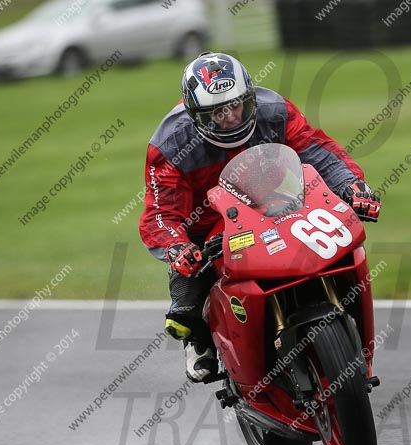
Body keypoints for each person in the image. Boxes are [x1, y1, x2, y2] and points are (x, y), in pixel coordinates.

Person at [139, 52, 381, 383]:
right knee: (187, 301)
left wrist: (352, 187)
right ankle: (198, 339)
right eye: (216, 113)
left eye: (236, 104)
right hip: (206, 223)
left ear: (250, 96)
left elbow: (318, 151)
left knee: (334, 242)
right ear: (196, 116)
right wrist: (178, 246)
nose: (230, 118)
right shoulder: (170, 144)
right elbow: (161, 213)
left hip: (274, 200)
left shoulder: (276, 111)